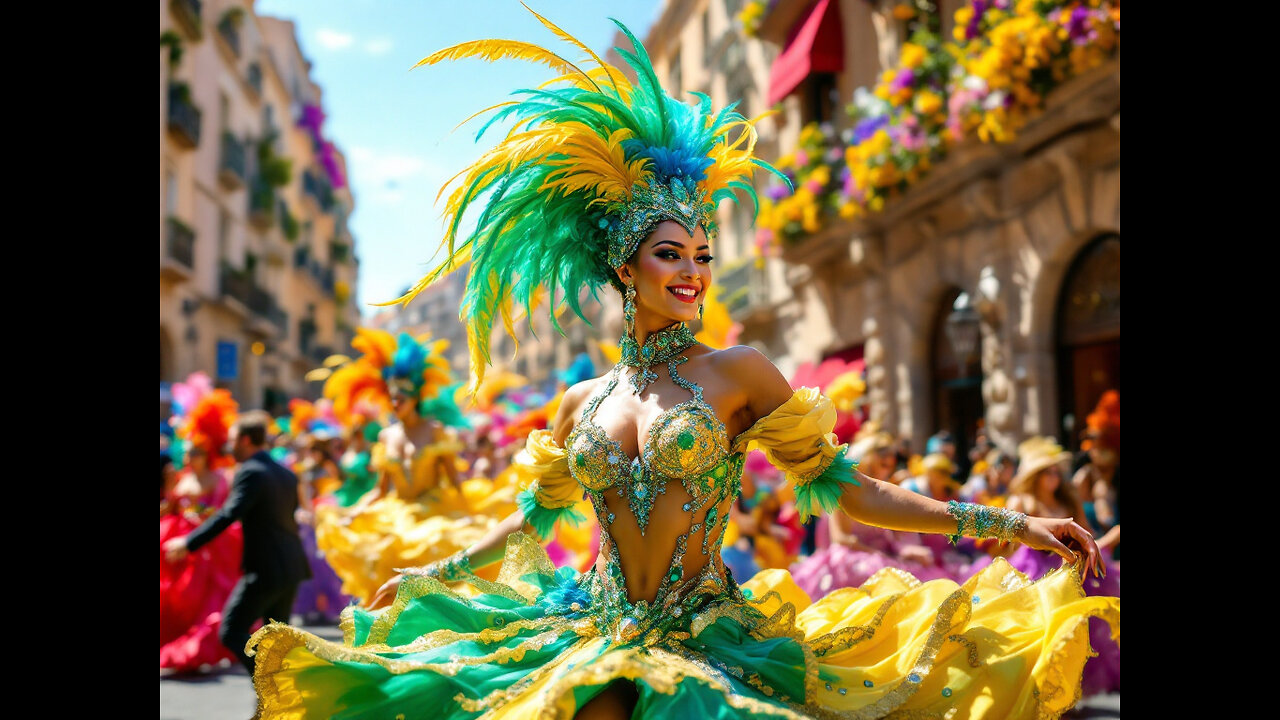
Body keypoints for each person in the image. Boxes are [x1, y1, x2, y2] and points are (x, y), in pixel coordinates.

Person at [245, 13, 1115, 718]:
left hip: (707, 644)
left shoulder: (739, 373)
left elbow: (856, 493)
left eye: (703, 254)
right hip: (585, 629)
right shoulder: (580, 400)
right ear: (625, 268)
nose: (694, 272)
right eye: (672, 254)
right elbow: (528, 528)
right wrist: (433, 575)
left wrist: (1014, 525)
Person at [311, 330, 519, 603]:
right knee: (384, 558)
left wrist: (468, 512)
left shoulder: (434, 431)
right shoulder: (386, 436)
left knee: (437, 555)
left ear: (415, 398)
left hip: (433, 511)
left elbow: (455, 481)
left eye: (403, 398)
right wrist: (354, 511)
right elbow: (381, 490)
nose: (396, 404)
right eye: (393, 398)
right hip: (395, 514)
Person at [163, 410, 311, 673]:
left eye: (232, 440)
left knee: (231, 632)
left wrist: (188, 543)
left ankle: (277, 685)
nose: (228, 447)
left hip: (265, 569)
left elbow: (230, 513)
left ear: (245, 440)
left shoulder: (251, 471)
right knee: (276, 641)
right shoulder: (285, 473)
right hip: (291, 567)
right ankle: (279, 700)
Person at [160, 389, 245, 673]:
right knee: (175, 599)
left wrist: (199, 521)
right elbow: (171, 508)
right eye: (187, 452)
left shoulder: (219, 478)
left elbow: (224, 512)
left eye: (195, 452)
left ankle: (200, 649)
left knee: (205, 600)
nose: (189, 457)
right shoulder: (181, 478)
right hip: (178, 547)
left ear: (206, 452)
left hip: (208, 550)